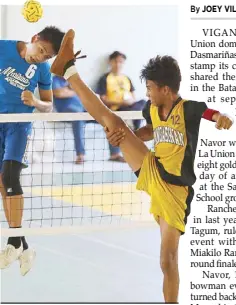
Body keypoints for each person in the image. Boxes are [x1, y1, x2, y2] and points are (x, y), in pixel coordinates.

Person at [50, 29, 233, 303]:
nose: (146, 92)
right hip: (152, 168)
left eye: (149, 88)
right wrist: (127, 139)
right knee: (112, 121)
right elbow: (150, 130)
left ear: (166, 90)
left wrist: (222, 117)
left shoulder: (189, 109)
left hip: (175, 192)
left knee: (167, 261)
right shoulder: (151, 108)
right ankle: (68, 69)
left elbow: (212, 114)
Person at [0, 26, 65, 276]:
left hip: (18, 125)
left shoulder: (42, 70)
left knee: (11, 176)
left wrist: (35, 101)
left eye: (46, 56)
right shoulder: (3, 47)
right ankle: (23, 246)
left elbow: (48, 106)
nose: (40, 57)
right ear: (34, 39)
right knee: (2, 183)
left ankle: (14, 241)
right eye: (41, 51)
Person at [96, 51, 146, 162]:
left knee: (143, 102)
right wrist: (121, 102)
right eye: (115, 61)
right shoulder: (105, 78)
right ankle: (131, 130)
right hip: (115, 109)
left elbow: (133, 97)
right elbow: (103, 99)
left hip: (130, 108)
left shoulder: (126, 78)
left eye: (121, 62)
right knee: (120, 118)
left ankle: (133, 127)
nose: (118, 64)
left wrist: (129, 102)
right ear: (110, 62)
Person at [52, 75, 85, 164]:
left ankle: (115, 154)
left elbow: (84, 92)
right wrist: (75, 91)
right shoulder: (55, 79)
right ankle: (80, 154)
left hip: (83, 109)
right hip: (67, 111)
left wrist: (69, 90)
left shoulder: (74, 79)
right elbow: (59, 93)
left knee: (107, 116)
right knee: (78, 117)